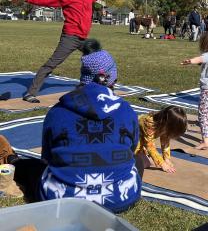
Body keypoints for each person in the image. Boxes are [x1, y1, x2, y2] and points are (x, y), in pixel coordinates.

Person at [0, 41, 142, 212]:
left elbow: (47, 158)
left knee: (34, 168)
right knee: (139, 160)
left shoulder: (58, 111)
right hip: (121, 198)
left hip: (61, 198)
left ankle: (13, 161)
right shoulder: (126, 110)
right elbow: (131, 148)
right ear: (111, 79)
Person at [10, 0, 129, 103]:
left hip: (83, 39)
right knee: (51, 64)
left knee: (101, 58)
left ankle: (105, 88)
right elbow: (48, 0)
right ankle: (30, 94)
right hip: (70, 38)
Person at [135, 106, 187, 174]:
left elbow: (165, 140)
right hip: (130, 139)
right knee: (142, 164)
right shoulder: (149, 123)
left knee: (147, 162)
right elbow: (149, 146)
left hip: (141, 139)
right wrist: (162, 164)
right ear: (169, 125)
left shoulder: (164, 123)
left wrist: (166, 159)